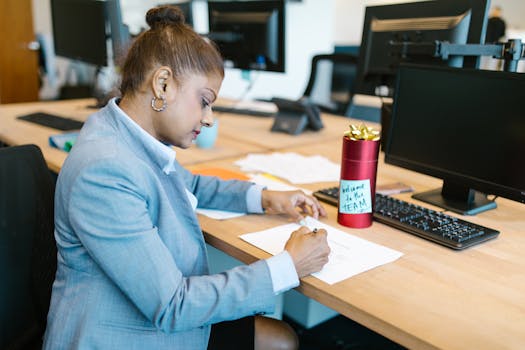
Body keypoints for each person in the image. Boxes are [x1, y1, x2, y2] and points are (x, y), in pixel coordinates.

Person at [43, 5, 330, 350]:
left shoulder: (126, 135)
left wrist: (265, 197)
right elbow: (173, 306)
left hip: (144, 314)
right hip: (120, 335)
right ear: (163, 84)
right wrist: (288, 267)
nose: (209, 119)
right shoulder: (104, 170)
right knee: (279, 340)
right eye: (205, 101)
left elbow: (188, 184)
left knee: (280, 337)